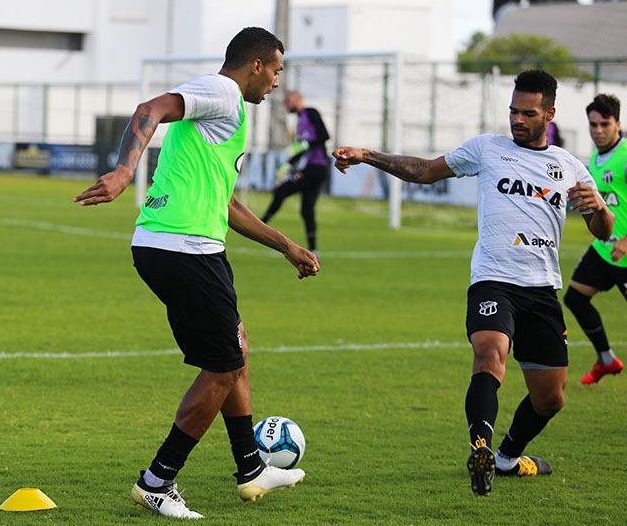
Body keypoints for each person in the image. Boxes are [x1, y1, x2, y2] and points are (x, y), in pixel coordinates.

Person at [74, 27, 318, 519]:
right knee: (224, 367)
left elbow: (227, 204)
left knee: (237, 348)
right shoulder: (224, 91)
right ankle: (157, 481)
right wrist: (124, 171)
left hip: (180, 247)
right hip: (185, 249)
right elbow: (150, 109)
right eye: (275, 70)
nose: (276, 81)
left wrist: (287, 246)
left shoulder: (229, 117)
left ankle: (251, 468)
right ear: (255, 65)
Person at [332, 70, 613, 497]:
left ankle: (506, 456)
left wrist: (597, 209)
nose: (518, 119)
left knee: (550, 399)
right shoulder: (487, 149)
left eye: (529, 113)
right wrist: (367, 154)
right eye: (513, 110)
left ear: (550, 114)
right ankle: (479, 448)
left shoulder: (569, 167)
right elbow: (425, 170)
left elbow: (602, 230)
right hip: (493, 281)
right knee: (489, 356)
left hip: (541, 290)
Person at [564, 94, 627, 384]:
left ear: (618, 123)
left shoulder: (625, 155)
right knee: (575, 298)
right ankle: (606, 360)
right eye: (593, 124)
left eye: (605, 124)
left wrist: (626, 240)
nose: (598, 130)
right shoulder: (596, 156)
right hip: (605, 249)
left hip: (624, 252)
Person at [261, 91, 330, 256]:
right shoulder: (299, 122)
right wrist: (288, 165)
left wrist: (303, 146)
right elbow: (301, 150)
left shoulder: (311, 113)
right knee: (307, 210)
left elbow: (324, 136)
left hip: (317, 167)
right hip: (311, 168)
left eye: (288, 101)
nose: (286, 105)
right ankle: (313, 250)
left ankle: (260, 225)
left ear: (298, 99)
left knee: (281, 191)